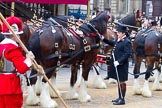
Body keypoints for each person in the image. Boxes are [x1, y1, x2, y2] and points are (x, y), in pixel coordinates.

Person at [0, 16, 34, 108]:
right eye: (18, 35)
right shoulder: (13, 49)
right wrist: (29, 59)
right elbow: (22, 68)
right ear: (15, 36)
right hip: (11, 88)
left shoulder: (1, 46)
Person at [100, 24, 132, 105]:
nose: (117, 33)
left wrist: (119, 61)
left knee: (122, 81)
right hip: (117, 64)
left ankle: (122, 99)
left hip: (122, 65)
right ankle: (120, 97)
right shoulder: (119, 40)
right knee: (119, 81)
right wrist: (103, 39)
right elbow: (112, 43)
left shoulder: (126, 42)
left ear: (123, 33)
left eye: (119, 32)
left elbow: (127, 54)